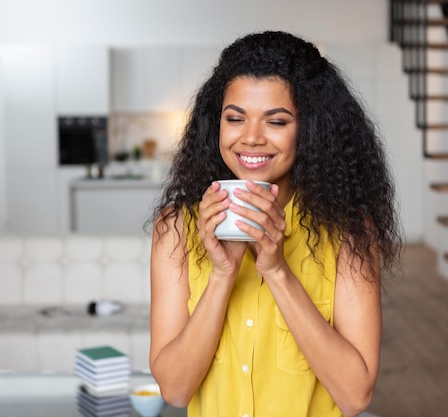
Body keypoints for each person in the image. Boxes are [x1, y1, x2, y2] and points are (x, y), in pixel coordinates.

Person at [148, 30, 402, 417]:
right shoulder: (177, 229)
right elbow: (175, 390)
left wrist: (277, 270)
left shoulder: (348, 231)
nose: (251, 138)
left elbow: (355, 396)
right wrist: (222, 274)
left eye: (276, 121)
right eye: (235, 118)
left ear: (310, 129)